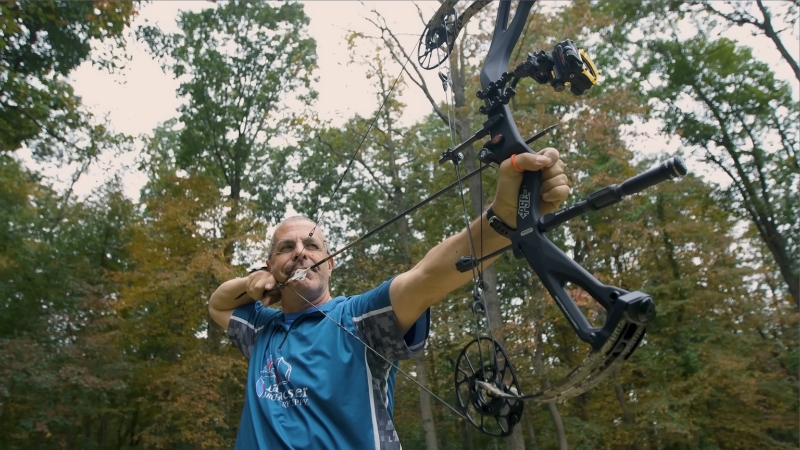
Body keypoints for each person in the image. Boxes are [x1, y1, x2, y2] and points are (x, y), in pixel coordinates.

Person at [209, 148, 568, 449]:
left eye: (312, 245)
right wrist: (252, 281)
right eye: (287, 248)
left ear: (330, 264)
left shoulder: (359, 319)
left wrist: (505, 217)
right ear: (271, 264)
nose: (301, 253)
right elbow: (218, 304)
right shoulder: (261, 329)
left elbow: (429, 274)